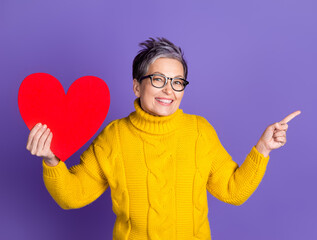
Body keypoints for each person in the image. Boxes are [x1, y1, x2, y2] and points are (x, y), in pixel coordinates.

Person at [26, 37, 300, 240]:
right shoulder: (114, 136)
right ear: (137, 85)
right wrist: (52, 159)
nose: (169, 90)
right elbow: (72, 197)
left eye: (177, 82)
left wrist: (263, 149)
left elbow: (233, 190)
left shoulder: (199, 131)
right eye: (158, 79)